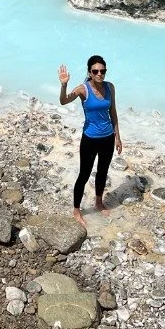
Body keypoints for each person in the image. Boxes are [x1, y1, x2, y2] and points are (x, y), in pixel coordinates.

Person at [58, 55, 123, 225]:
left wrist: (118, 137)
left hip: (108, 138)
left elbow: (113, 112)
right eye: (95, 71)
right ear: (90, 72)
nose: (99, 74)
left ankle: (99, 202)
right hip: (90, 139)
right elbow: (64, 101)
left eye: (102, 71)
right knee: (84, 174)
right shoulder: (82, 89)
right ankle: (77, 210)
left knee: (102, 171)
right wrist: (64, 85)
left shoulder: (110, 87)